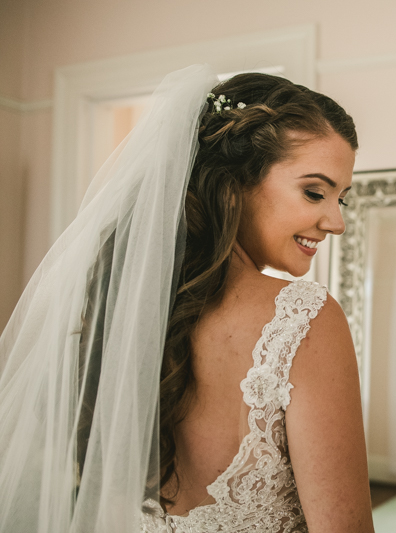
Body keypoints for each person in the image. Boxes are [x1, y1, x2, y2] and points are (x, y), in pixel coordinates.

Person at [0, 65, 374, 533]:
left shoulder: (126, 312)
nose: (336, 222)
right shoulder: (306, 318)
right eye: (314, 192)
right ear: (234, 184)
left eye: (342, 198)